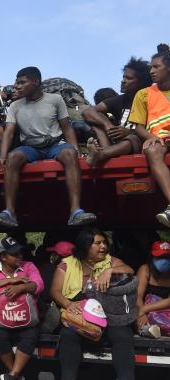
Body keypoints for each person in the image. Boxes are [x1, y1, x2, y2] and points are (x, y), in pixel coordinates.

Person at [0, 66, 96, 228]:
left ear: (36, 82)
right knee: (13, 157)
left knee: (69, 153)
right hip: (31, 148)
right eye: (16, 82)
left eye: (22, 82)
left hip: (54, 145)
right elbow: (9, 133)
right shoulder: (15, 106)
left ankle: (76, 211)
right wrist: (3, 156)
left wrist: (76, 150)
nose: (17, 86)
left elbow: (66, 128)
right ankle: (9, 213)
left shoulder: (55, 100)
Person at [50, 228, 141, 380]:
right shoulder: (66, 265)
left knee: (123, 335)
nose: (103, 246)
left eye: (104, 243)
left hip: (107, 317)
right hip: (78, 317)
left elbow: (130, 270)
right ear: (85, 245)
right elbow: (55, 291)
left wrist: (110, 270)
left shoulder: (111, 261)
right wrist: (68, 304)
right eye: (97, 243)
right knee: (68, 335)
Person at [0, 236, 44, 380]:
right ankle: (15, 373)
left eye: (20, 253)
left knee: (31, 334)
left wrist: (21, 288)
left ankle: (12, 376)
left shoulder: (29, 266)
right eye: (14, 254)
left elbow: (39, 284)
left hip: (27, 319)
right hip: (0, 319)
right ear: (3, 257)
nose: (20, 257)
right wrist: (12, 281)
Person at [82, 57, 151, 166]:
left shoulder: (150, 100)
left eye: (129, 78)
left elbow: (156, 129)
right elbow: (88, 112)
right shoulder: (121, 99)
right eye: (123, 76)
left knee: (133, 138)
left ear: (141, 82)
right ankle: (105, 151)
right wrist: (107, 124)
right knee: (98, 118)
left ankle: (100, 155)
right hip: (115, 143)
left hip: (140, 143)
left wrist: (130, 132)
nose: (123, 81)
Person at [129, 48, 170, 226]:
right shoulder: (143, 94)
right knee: (152, 150)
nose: (151, 71)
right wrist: (151, 136)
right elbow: (138, 127)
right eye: (150, 67)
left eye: (156, 66)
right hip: (159, 138)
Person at [137, 241, 170, 338]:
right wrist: (141, 313)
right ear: (152, 257)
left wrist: (144, 309)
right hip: (143, 311)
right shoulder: (145, 270)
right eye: (160, 257)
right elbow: (138, 296)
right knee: (141, 325)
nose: (164, 261)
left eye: (167, 257)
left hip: (163, 311)